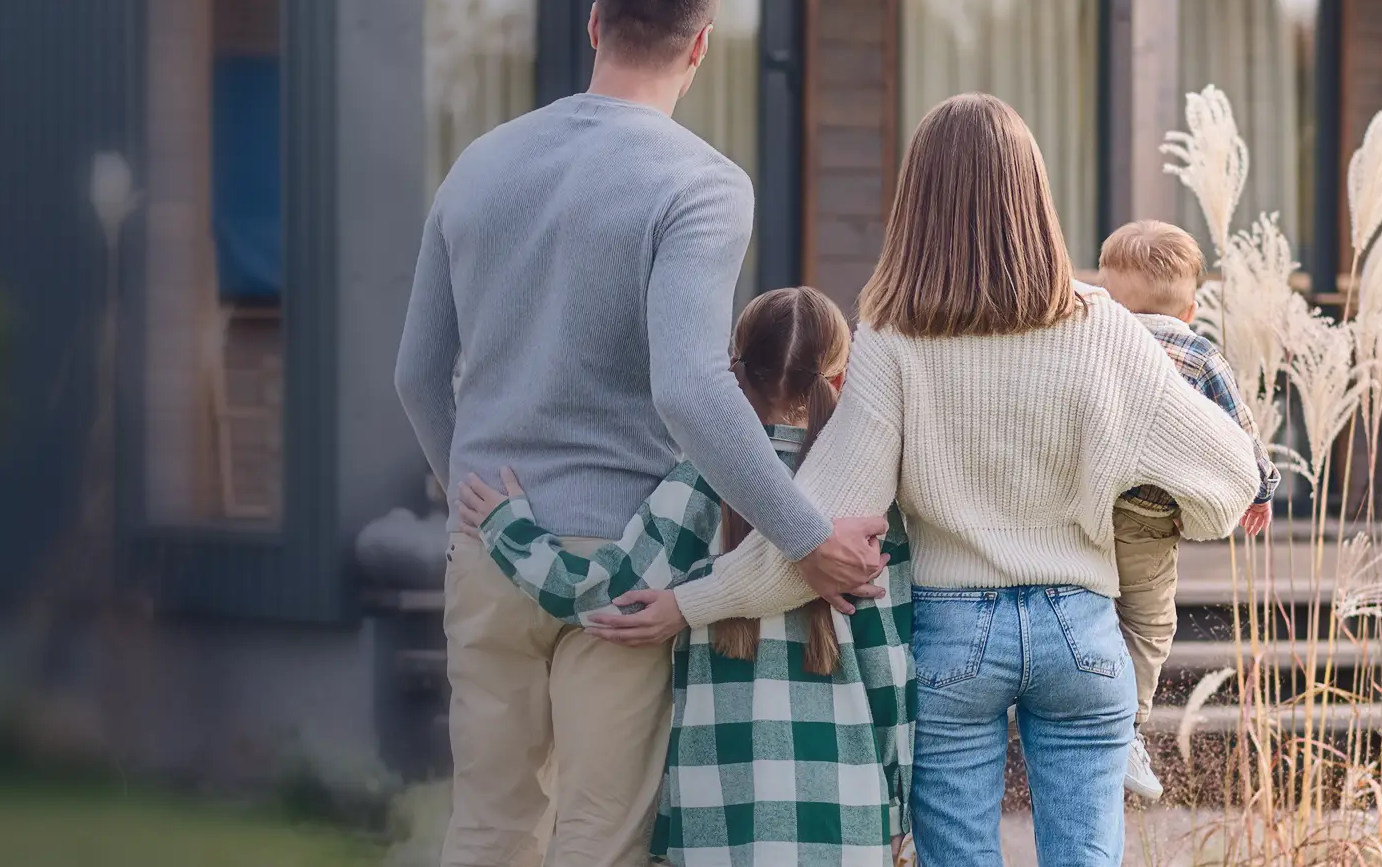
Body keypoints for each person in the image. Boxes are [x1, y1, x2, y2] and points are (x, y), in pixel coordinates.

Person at [584, 94, 1263, 867]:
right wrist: (1122, 491)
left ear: (919, 202)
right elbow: (1231, 480)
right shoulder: (1105, 327)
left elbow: (816, 534)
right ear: (1034, 196)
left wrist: (687, 601)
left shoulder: (894, 337)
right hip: (1084, 628)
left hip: (955, 635)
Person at [393, 0, 888, 867]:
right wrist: (806, 536)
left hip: (488, 542)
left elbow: (417, 372)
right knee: (599, 836)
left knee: (488, 826)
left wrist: (470, 492)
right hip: (627, 564)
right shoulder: (700, 184)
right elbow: (690, 388)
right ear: (701, 45)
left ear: (592, 24)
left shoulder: (478, 166)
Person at [454, 286, 915, 867]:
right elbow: (892, 670)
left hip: (716, 815)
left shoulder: (700, 482)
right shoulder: (870, 507)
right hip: (847, 816)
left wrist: (508, 530)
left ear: (733, 377)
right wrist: (899, 813)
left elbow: (605, 594)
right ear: (842, 382)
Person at [1096, 220, 1278, 800]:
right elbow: (1241, 436)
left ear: (1105, 293)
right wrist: (1263, 488)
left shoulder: (1091, 340)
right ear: (1192, 308)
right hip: (1149, 521)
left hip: (1080, 508)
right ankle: (1124, 728)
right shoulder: (1200, 356)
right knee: (1148, 624)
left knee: (1092, 613)